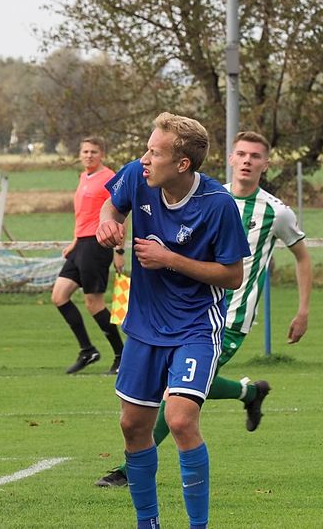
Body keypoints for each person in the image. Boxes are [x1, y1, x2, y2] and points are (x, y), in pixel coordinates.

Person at [95, 130, 313, 488]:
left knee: (178, 401)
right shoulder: (206, 194)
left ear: (265, 164)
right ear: (229, 158)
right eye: (240, 153)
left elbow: (302, 258)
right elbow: (118, 204)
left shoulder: (276, 211)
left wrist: (302, 311)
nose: (246, 161)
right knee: (184, 391)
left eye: (255, 156)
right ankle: (250, 392)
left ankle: (127, 469)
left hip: (230, 318)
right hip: (173, 315)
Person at [95, 112, 250, 529]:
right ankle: (149, 523)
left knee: (180, 420)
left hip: (196, 327)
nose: (144, 159)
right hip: (144, 328)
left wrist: (170, 260)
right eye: (146, 149)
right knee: (132, 426)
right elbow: (113, 203)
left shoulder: (217, 205)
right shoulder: (136, 177)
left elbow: (233, 276)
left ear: (182, 164)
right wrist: (107, 222)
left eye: (155, 152)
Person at [53, 136, 126, 375]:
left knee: (94, 303)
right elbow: (83, 214)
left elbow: (120, 213)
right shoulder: (83, 177)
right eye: (85, 151)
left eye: (94, 151)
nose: (88, 155)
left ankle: (121, 355)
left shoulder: (109, 178)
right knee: (59, 295)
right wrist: (74, 241)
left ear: (102, 154)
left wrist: (119, 249)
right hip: (81, 245)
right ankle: (87, 350)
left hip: (97, 244)